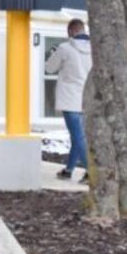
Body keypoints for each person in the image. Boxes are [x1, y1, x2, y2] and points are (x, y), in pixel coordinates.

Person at [45, 18, 92, 183]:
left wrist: (53, 53)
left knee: (78, 137)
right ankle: (68, 170)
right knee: (78, 136)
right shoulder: (95, 48)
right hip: (87, 99)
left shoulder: (65, 48)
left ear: (71, 31)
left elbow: (49, 68)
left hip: (70, 98)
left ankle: (91, 172)